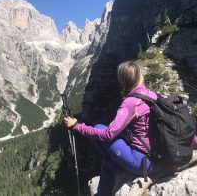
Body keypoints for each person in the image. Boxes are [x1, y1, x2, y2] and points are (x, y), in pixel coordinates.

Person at [63, 61, 162, 195]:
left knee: (100, 133)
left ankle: (113, 178)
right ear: (140, 76)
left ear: (122, 80)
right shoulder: (153, 96)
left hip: (143, 163)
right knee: (109, 159)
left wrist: (77, 126)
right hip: (160, 157)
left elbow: (108, 135)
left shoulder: (131, 103)